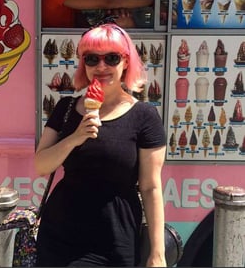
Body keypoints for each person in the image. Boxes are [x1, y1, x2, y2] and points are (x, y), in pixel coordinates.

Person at [35, 20, 166, 267]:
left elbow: (151, 188)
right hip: (60, 234)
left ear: (127, 62)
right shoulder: (65, 108)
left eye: (112, 58)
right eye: (92, 59)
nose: (101, 66)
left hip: (115, 236)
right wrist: (75, 138)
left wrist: (157, 253)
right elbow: (41, 165)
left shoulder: (144, 116)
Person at [42, 0, 154, 28]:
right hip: (59, 46)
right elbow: (109, 0)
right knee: (123, 22)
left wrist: (109, 19)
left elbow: (81, 25)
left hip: (66, 42)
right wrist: (153, 1)